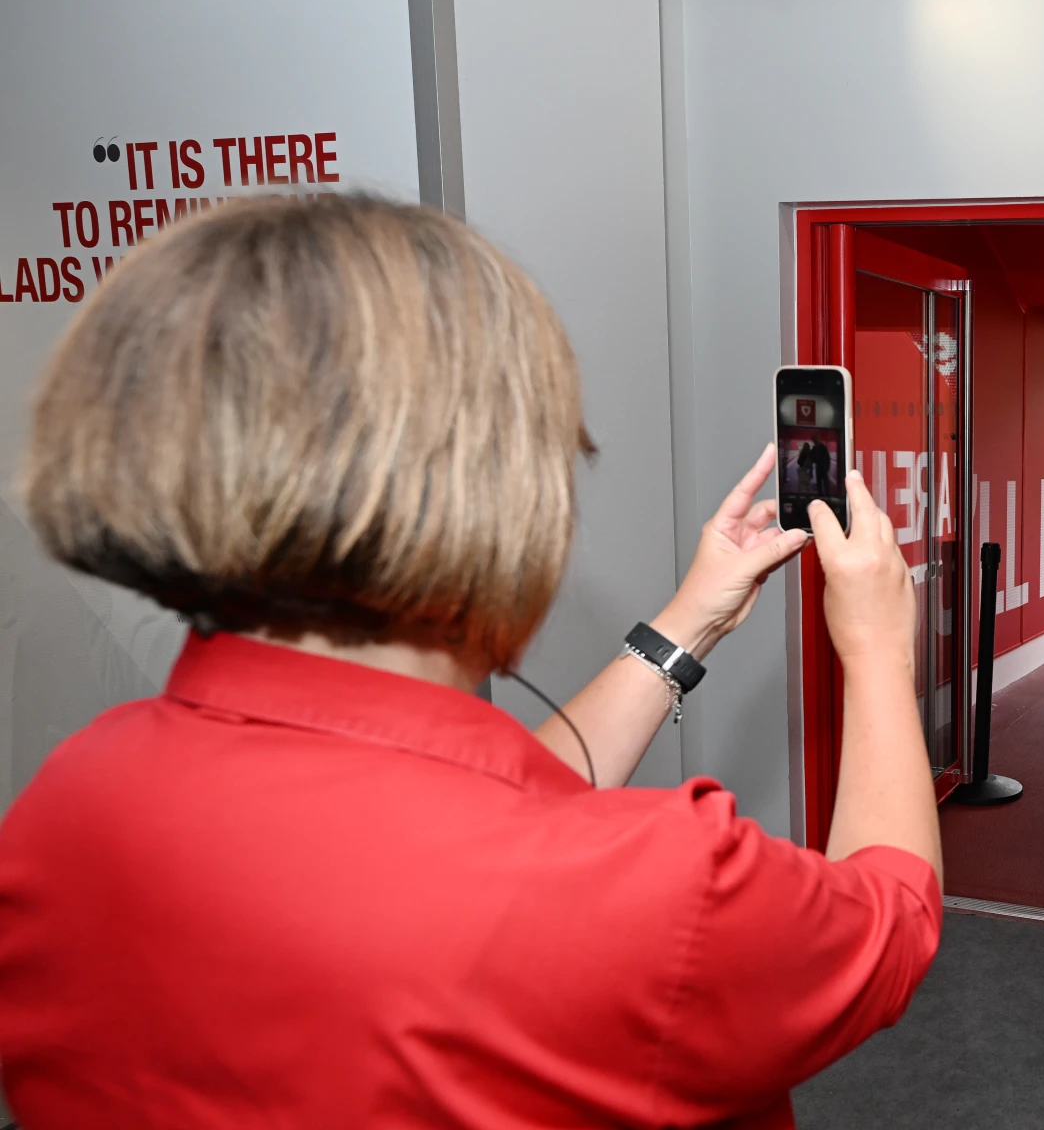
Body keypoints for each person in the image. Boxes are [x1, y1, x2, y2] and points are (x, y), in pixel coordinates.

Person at [0, 195, 941, 1128]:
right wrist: (874, 646)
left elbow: (474, 821)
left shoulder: (68, 800)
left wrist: (687, 624)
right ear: (494, 486)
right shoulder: (662, 891)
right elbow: (893, 918)